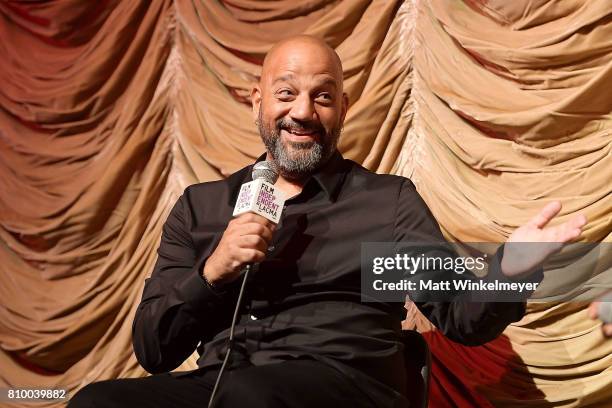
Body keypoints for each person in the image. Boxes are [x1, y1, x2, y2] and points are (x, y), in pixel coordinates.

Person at [69, 35, 587, 408]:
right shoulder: (202, 208)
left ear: (342, 107)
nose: (302, 111)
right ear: (258, 102)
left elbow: (460, 316)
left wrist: (512, 266)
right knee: (98, 402)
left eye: (321, 95)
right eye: (286, 92)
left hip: (349, 386)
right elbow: (154, 350)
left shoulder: (384, 203)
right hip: (227, 388)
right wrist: (214, 271)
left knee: (250, 396)